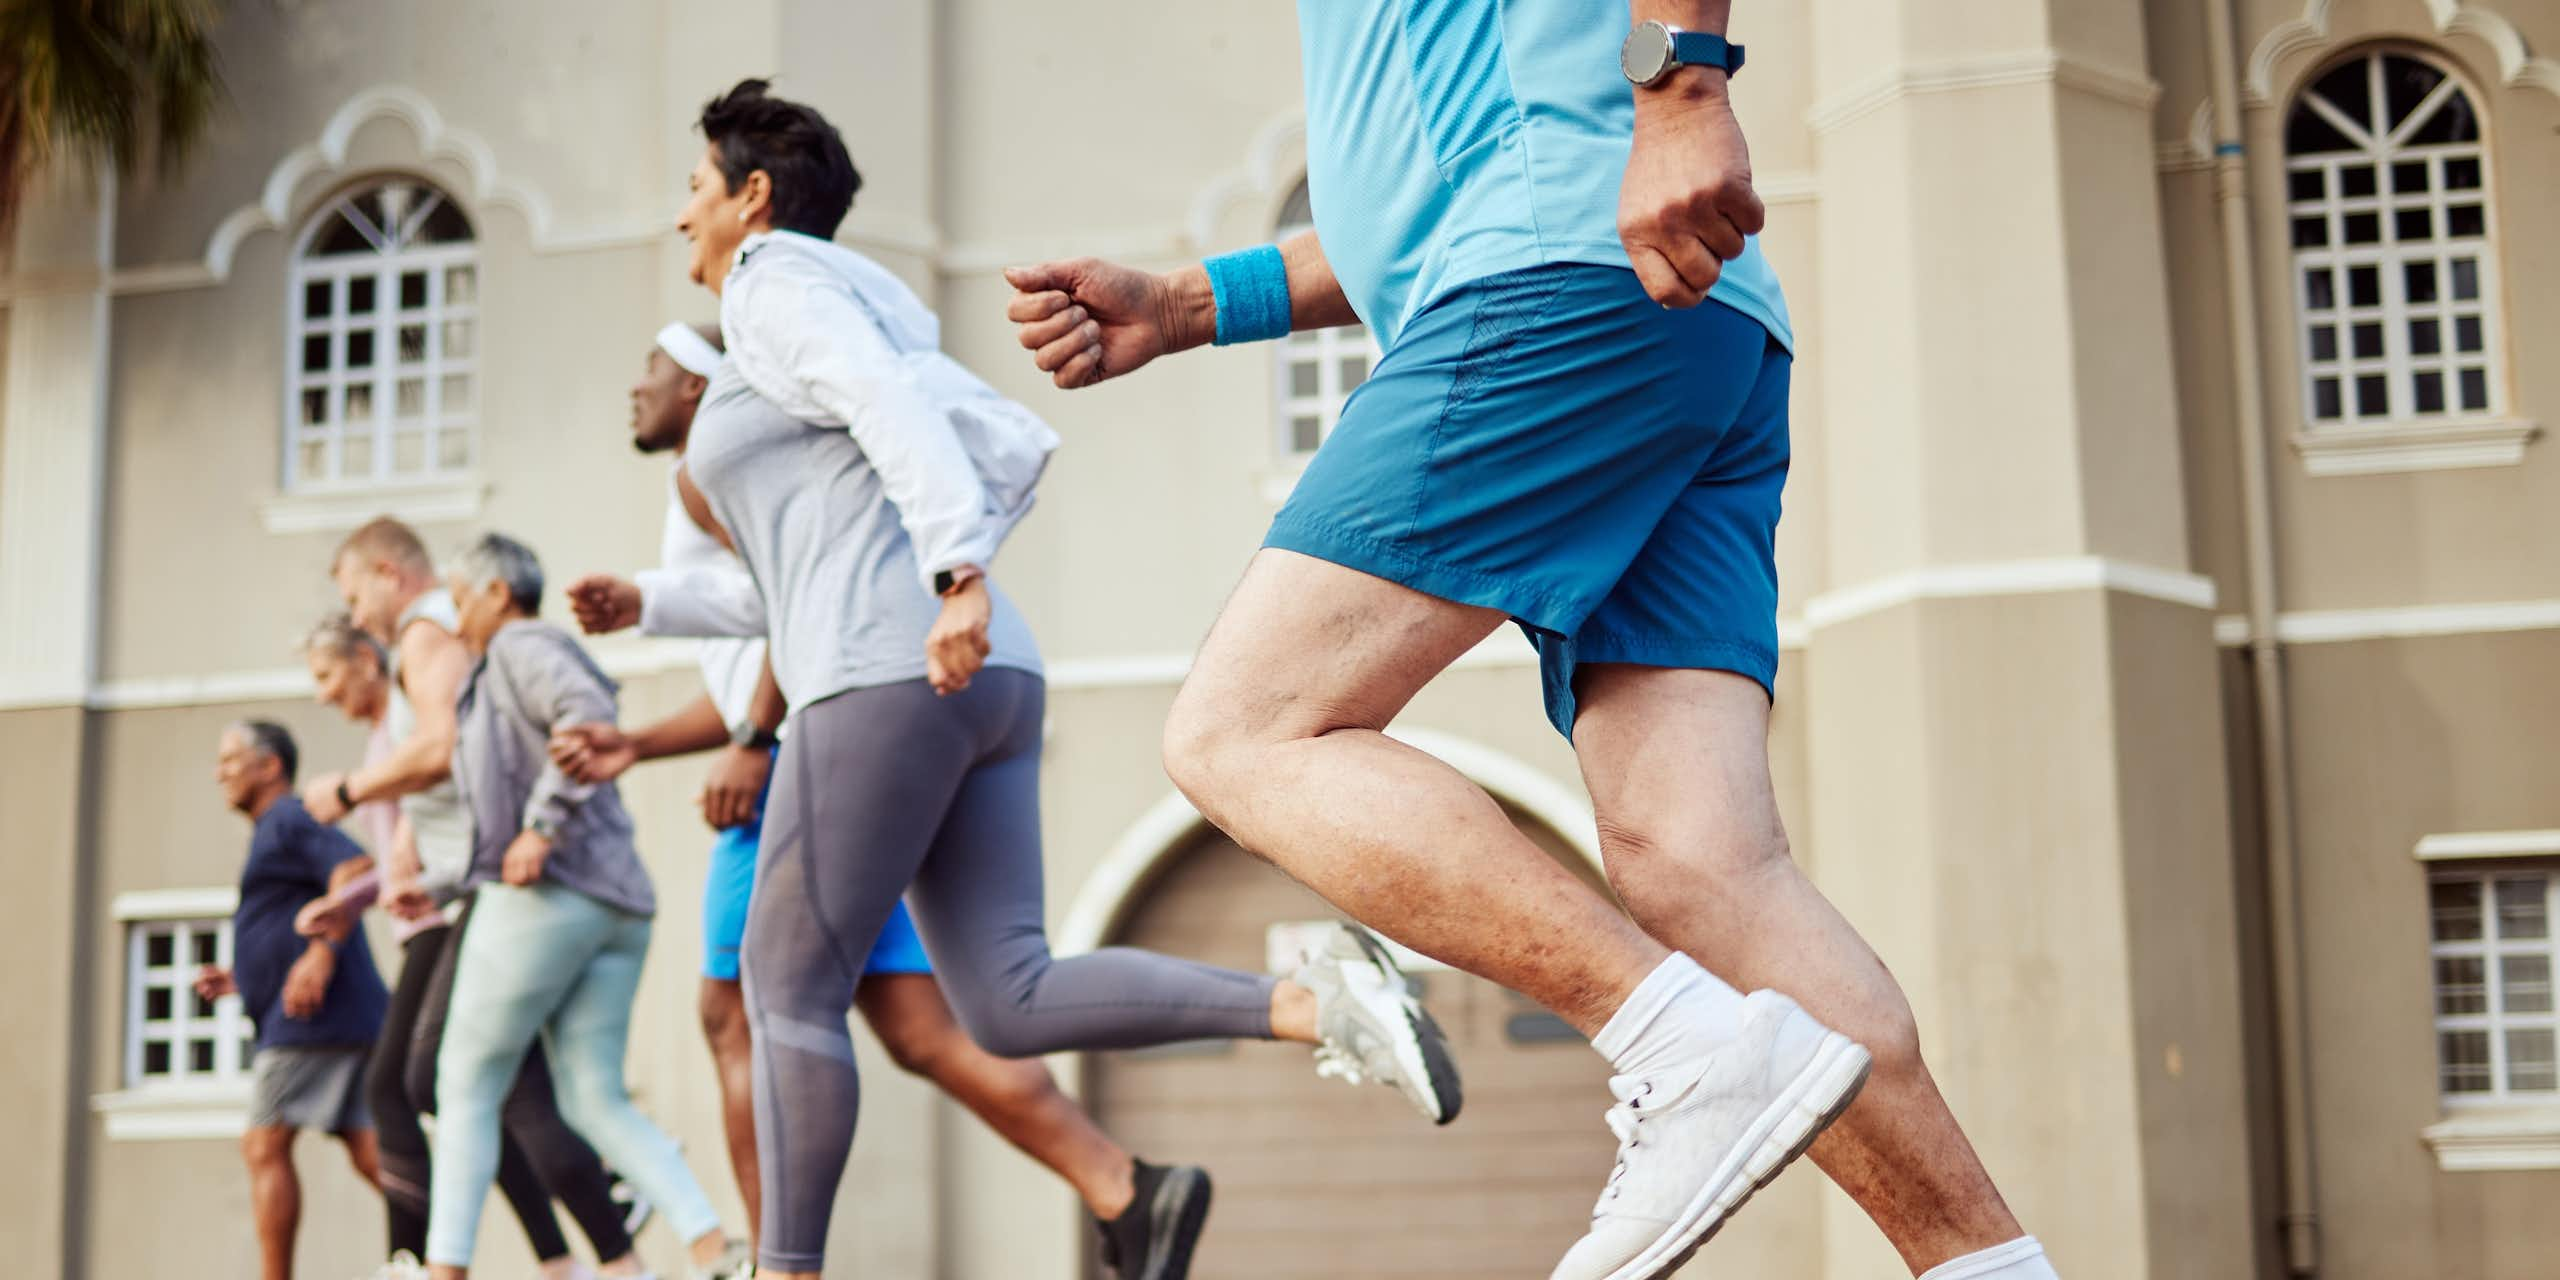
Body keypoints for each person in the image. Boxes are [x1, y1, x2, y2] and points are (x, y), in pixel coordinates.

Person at [999, 4, 2060, 1279]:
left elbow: (1515, 171)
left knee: (1246, 729)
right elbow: (1415, 198)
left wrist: (1681, 88)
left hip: (1549, 286)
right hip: (1686, 320)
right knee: (1700, 867)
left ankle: (1680, 1047)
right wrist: (1189, 302)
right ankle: (1990, 1268)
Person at [563, 78, 1463, 1280]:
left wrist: (955, 575)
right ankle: (1314, 1001)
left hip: (890, 670)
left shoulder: (773, 284)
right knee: (1005, 994)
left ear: (753, 197)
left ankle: (783, 1270)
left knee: (781, 989)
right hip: (970, 673)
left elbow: (887, 422)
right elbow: (797, 572)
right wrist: (653, 599)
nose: (683, 218)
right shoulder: (843, 314)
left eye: (694, 189)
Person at [548, 321, 1213, 1276]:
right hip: (851, 738)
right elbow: (765, 632)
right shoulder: (725, 470)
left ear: (702, 388)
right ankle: (1124, 1186)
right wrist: (644, 740)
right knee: (924, 1028)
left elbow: (797, 610)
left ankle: (756, 1259)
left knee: (736, 1008)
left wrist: (750, 737)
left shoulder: (714, 468)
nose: (636, 386)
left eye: (653, 365)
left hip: (814, 754)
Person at [424, 532, 749, 1280]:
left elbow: (585, 709)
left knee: (465, 1080)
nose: (455, 618)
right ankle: (711, 1248)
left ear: (499, 594)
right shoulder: (509, 659)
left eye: (462, 598)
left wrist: (542, 825)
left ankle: (445, 1270)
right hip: (614, 903)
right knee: (592, 1096)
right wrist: (442, 881)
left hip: (549, 896)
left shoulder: (520, 647)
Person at [297, 614, 647, 1280]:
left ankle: (416, 1260)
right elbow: (408, 848)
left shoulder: (414, 712)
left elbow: (453, 799)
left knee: (405, 1083)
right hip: (432, 912)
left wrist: (351, 792)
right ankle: (589, 1245)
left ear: (366, 661)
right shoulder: (386, 738)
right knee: (505, 1098)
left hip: (456, 912)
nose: (322, 694)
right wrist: (355, 898)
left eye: (326, 675)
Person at [197, 719, 388, 1280]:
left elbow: (356, 868)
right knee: (371, 1149)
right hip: (335, 1012)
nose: (219, 773)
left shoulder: (287, 816)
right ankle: (439, 1256)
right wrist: (246, 976)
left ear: (269, 766)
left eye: (230, 759)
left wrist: (322, 953)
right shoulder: (272, 830)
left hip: (309, 1019)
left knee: (263, 1143)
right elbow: (294, 915)